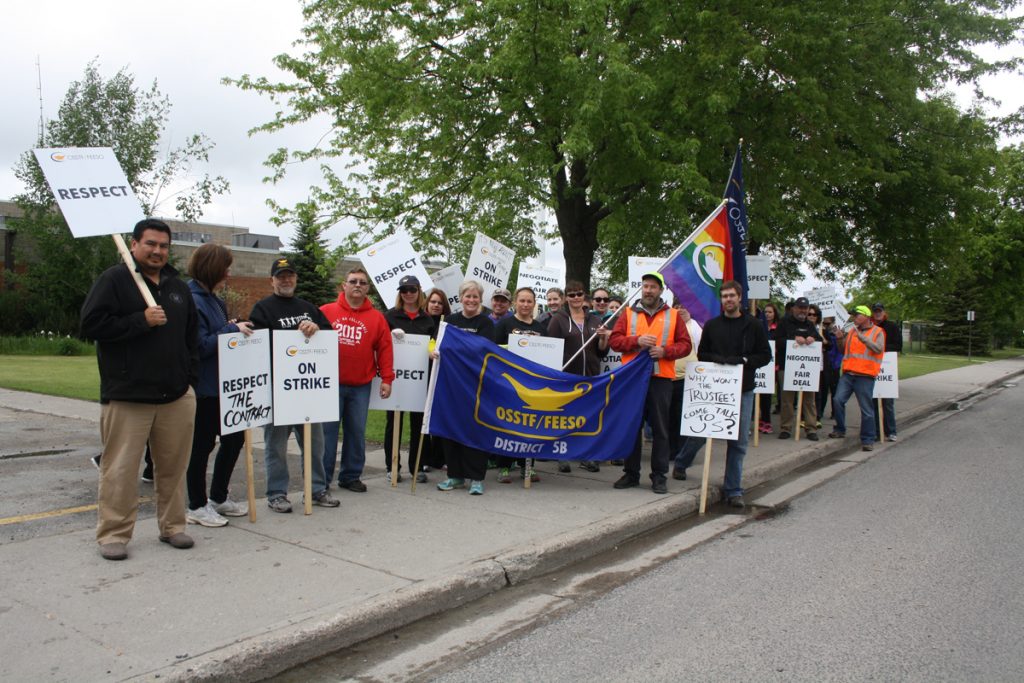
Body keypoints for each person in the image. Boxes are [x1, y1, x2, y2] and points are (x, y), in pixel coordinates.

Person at [80, 218, 199, 560]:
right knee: (120, 469)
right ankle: (114, 534)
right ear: (134, 245)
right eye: (150, 244)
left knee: (173, 468)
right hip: (129, 396)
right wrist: (140, 321)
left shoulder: (178, 287)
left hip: (176, 396)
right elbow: (91, 325)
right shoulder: (116, 280)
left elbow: (190, 338)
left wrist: (190, 381)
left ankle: (173, 526)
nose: (158, 251)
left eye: (163, 245)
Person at [249, 257, 340, 512]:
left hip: (308, 389)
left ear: (296, 279)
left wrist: (317, 328)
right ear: (272, 280)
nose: (286, 280)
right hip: (279, 390)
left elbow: (328, 336)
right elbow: (256, 344)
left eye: (290, 275)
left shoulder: (309, 308)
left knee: (315, 443)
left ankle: (317, 489)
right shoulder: (263, 309)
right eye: (280, 276)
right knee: (276, 446)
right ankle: (277, 494)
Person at [672, 281, 772, 508]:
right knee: (700, 432)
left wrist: (745, 361)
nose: (728, 300)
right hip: (714, 388)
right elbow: (703, 352)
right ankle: (681, 461)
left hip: (743, 390)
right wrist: (717, 360)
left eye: (732, 296)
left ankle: (733, 489)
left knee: (738, 442)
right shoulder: (712, 325)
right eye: (724, 296)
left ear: (739, 298)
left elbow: (765, 355)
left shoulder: (754, 325)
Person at [184, 243, 253, 527]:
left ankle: (218, 497)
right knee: (201, 447)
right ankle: (196, 505)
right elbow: (199, 346)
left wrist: (231, 326)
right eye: (225, 267)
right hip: (204, 388)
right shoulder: (192, 300)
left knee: (235, 438)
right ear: (212, 267)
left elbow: (218, 334)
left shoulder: (215, 300)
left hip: (226, 387)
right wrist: (230, 330)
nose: (228, 273)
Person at [609, 272, 691, 494]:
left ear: (660, 290)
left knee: (660, 430)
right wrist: (636, 341)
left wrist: (665, 351)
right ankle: (631, 473)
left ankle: (659, 475)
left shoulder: (673, 315)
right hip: (633, 380)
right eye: (645, 286)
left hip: (661, 380)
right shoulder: (627, 314)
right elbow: (614, 341)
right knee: (632, 426)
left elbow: (686, 345)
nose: (648, 290)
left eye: (653, 287)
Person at [320, 266, 395, 492]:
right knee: (327, 434)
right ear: (344, 285)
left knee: (356, 432)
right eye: (353, 281)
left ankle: (351, 476)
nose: (358, 286)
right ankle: (321, 479)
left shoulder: (377, 318)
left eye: (362, 283)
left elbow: (385, 349)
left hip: (361, 385)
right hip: (329, 385)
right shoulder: (325, 311)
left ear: (368, 289)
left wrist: (387, 378)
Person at [435, 280, 495, 495]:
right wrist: (434, 351)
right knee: (451, 428)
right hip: (451, 385)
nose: (471, 300)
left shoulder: (486, 323)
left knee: (476, 429)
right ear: (461, 298)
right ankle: (455, 476)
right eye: (467, 296)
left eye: (475, 297)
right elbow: (439, 344)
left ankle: (476, 478)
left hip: (476, 385)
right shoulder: (449, 321)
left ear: (480, 299)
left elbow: (484, 351)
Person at [548, 279, 610, 473]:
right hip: (568, 377)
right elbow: (552, 348)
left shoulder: (594, 320)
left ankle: (587, 456)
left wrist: (603, 338)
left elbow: (601, 352)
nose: (576, 298)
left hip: (590, 376)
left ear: (584, 296)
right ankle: (562, 455)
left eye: (579, 294)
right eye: (572, 295)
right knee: (566, 416)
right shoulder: (558, 319)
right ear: (566, 298)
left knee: (587, 418)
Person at [383, 275, 435, 483]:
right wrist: (389, 336)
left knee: (417, 424)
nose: (408, 293)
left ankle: (417, 467)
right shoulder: (390, 316)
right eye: (404, 290)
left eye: (412, 289)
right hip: (395, 378)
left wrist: (432, 350)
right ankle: (392, 466)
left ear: (419, 291)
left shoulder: (427, 319)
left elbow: (432, 344)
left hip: (419, 379)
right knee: (393, 422)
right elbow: (380, 343)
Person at [494, 287, 548, 483]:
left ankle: (528, 465)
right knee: (508, 423)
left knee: (531, 424)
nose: (525, 305)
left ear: (534, 304)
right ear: (515, 302)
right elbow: (494, 351)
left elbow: (548, 358)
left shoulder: (542, 329)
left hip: (533, 385)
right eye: (522, 301)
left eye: (529, 301)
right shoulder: (504, 324)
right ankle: (504, 466)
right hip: (510, 383)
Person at [829, 305, 886, 451]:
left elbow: (879, 348)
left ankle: (867, 439)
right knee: (837, 400)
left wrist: (863, 339)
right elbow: (843, 351)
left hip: (865, 376)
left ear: (866, 316)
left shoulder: (878, 332)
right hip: (848, 374)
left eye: (857, 315)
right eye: (854, 315)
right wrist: (840, 339)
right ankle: (840, 429)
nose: (854, 318)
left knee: (866, 409)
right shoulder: (852, 332)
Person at [775, 296, 822, 440]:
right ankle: (786, 428)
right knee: (787, 400)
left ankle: (811, 428)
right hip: (787, 366)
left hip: (807, 368)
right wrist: (793, 340)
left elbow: (819, 340)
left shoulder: (810, 324)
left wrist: (813, 339)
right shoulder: (784, 322)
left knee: (809, 399)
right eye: (800, 308)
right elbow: (778, 340)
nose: (802, 310)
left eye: (805, 308)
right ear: (794, 308)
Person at [669, 305, 702, 473]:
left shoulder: (695, 327)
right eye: (677, 306)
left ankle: (683, 452)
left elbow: (700, 350)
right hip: (669, 377)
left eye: (684, 306)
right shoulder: (671, 323)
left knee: (683, 417)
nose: (681, 309)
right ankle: (671, 450)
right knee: (670, 418)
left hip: (689, 378)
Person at [872, 303, 902, 441]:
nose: (878, 314)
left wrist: (880, 348)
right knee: (873, 401)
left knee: (887, 402)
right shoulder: (869, 327)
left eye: (880, 311)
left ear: (884, 312)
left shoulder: (892, 327)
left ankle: (891, 431)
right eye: (875, 311)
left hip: (888, 367)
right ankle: (878, 431)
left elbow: (898, 345)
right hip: (872, 367)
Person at [758, 302, 780, 433]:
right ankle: (759, 420)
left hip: (773, 366)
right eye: (765, 312)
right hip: (760, 365)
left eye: (770, 312)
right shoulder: (759, 326)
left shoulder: (778, 328)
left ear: (775, 314)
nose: (767, 314)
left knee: (767, 396)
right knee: (757, 395)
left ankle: (767, 421)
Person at [818, 314, 842, 421]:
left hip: (834, 365)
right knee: (823, 390)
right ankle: (820, 412)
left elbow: (838, 349)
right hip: (824, 365)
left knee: (834, 391)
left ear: (833, 323)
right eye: (824, 323)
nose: (826, 326)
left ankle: (835, 412)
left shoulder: (837, 334)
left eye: (828, 323)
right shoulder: (821, 332)